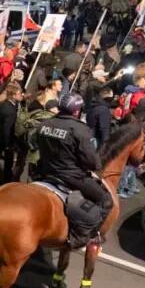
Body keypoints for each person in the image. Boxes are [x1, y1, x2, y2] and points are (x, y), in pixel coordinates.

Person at [33, 93, 112, 248]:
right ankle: (86, 235)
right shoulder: (80, 129)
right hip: (71, 176)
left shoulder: (44, 124)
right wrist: (96, 166)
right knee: (106, 200)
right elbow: (90, 161)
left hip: (45, 171)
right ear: (76, 111)